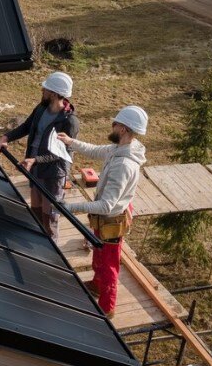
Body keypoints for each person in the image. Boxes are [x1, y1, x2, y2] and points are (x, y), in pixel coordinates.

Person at [56, 106, 148, 318]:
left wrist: (71, 207)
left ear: (123, 129)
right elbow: (97, 150)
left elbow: (107, 205)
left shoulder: (124, 164)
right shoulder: (121, 148)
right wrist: (72, 142)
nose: (111, 126)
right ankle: (97, 286)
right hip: (106, 218)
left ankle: (107, 309)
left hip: (112, 219)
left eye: (115, 123)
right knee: (99, 254)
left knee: (109, 266)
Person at [0, 72, 79, 241]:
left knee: (50, 216)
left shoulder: (69, 122)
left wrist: (36, 160)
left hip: (53, 174)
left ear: (54, 94)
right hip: (35, 169)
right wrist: (6, 138)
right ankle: (37, 243)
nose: (42, 90)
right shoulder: (41, 109)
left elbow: (61, 154)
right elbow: (26, 127)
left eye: (45, 88)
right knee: (36, 211)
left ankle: (52, 250)